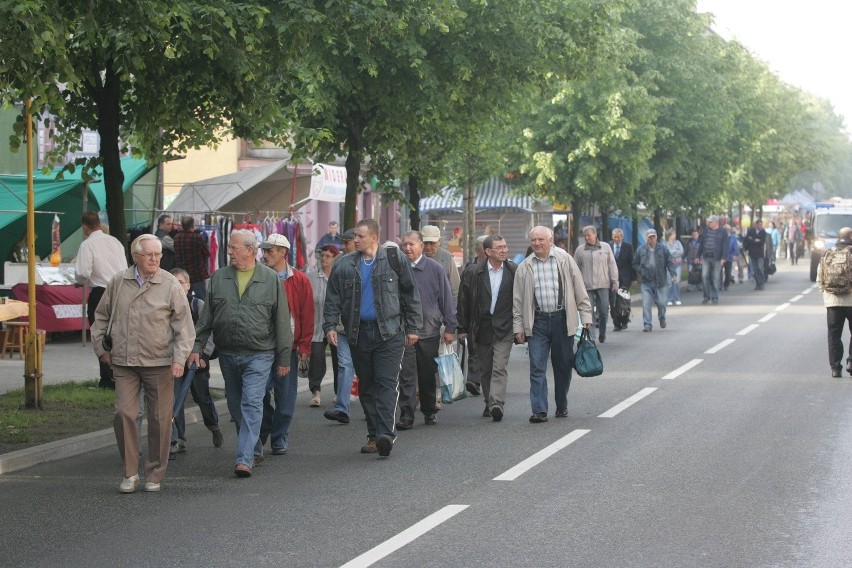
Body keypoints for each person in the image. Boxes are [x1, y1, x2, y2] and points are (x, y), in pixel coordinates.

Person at [90, 234, 195, 493]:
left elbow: (185, 327)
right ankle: (129, 472)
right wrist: (102, 350)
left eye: (158, 254)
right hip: (124, 362)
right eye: (149, 254)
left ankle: (155, 473)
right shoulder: (118, 281)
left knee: (160, 419)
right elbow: (101, 317)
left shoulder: (169, 283)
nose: (154, 259)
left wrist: (179, 359)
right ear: (135, 256)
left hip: (159, 362)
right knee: (124, 414)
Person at [189, 229, 293, 478]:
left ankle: (244, 458)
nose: (229, 252)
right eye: (229, 248)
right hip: (228, 354)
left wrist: (284, 357)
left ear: (250, 250)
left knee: (252, 402)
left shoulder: (270, 279)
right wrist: (196, 347)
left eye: (233, 248)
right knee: (236, 407)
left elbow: (281, 321)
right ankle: (254, 448)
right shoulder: (218, 278)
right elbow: (206, 319)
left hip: (260, 353)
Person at [323, 218, 422, 457]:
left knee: (386, 383)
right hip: (357, 333)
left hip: (389, 332)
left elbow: (411, 293)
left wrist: (413, 327)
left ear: (374, 237)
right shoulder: (344, 264)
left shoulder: (393, 259)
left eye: (360, 236)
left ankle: (385, 434)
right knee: (367, 386)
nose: (355, 239)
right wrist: (330, 326)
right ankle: (373, 434)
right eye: (355, 236)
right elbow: (333, 297)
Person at [513, 226, 592, 423]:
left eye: (541, 239)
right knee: (537, 366)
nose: (537, 244)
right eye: (534, 240)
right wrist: (518, 327)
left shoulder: (564, 260)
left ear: (550, 240)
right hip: (537, 321)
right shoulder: (525, 266)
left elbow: (579, 288)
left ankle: (561, 403)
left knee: (563, 365)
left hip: (562, 319)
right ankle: (539, 410)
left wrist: (586, 315)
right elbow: (518, 301)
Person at [256, 234, 313, 458]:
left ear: (283, 253)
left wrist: (305, 348)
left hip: (288, 348)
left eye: (270, 250)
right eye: (265, 250)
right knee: (257, 394)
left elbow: (307, 315)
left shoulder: (299, 280)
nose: (265, 254)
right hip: (260, 347)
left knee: (286, 398)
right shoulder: (257, 276)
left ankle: (279, 436)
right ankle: (265, 427)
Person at [397, 231, 457, 428]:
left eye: (412, 244)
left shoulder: (435, 269)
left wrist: (450, 326)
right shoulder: (397, 268)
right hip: (404, 332)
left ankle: (429, 410)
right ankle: (406, 414)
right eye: (404, 244)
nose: (407, 248)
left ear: (421, 246)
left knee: (427, 374)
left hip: (429, 330)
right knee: (406, 376)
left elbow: (446, 299)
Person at [457, 234, 516, 421]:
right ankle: (489, 402)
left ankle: (497, 403)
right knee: (486, 368)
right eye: (499, 247)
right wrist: (462, 327)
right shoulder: (473, 272)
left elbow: (522, 300)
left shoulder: (514, 270)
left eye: (505, 246)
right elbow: (463, 301)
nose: (504, 250)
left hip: (505, 327)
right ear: (488, 251)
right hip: (481, 326)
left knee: (500, 366)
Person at [168, 268, 223, 457]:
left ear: (188, 285)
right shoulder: (165, 307)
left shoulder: (197, 305)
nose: (177, 286)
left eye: (181, 282)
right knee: (175, 400)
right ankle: (178, 439)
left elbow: (209, 332)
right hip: (175, 361)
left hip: (197, 362)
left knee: (202, 397)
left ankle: (213, 425)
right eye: (173, 282)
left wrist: (204, 356)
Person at [75, 210, 128, 390]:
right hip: (120, 291)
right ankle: (120, 376)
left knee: (99, 334)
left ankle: (106, 379)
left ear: (85, 226)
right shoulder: (115, 242)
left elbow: (83, 273)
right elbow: (124, 268)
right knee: (118, 334)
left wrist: (79, 282)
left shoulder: (87, 245)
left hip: (100, 292)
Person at [323, 229, 358, 424]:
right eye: (343, 243)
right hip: (344, 327)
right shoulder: (340, 263)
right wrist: (330, 325)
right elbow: (332, 296)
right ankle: (342, 408)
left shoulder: (375, 261)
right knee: (345, 364)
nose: (343, 247)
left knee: (368, 368)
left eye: (347, 243)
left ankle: (377, 407)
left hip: (367, 327)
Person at [573, 226, 618, 343]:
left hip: (603, 284)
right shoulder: (580, 250)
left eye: (588, 235)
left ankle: (602, 332)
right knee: (588, 312)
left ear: (595, 234)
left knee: (603, 310)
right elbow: (574, 269)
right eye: (585, 236)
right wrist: (574, 285)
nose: (586, 238)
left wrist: (615, 282)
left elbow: (612, 265)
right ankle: (591, 337)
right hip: (586, 286)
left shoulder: (605, 247)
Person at [817, 227, 852, 377]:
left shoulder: (828, 254)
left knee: (834, 335)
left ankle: (835, 368)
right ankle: (851, 361)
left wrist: (826, 293)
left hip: (832, 302)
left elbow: (820, 277)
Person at [308, 245, 340, 405]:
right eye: (322, 256)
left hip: (336, 326)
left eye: (328, 256)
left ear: (335, 258)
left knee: (338, 359)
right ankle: (316, 392)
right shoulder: (311, 277)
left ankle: (338, 393)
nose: (324, 259)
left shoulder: (339, 276)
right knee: (316, 357)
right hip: (317, 326)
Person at [459, 235, 488, 396]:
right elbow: (463, 299)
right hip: (473, 319)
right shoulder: (470, 268)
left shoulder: (500, 267)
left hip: (491, 319)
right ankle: (474, 380)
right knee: (474, 349)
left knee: (488, 354)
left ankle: (484, 380)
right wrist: (461, 326)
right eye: (486, 248)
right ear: (478, 251)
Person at [632, 229, 676, 332]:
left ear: (656, 237)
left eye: (653, 237)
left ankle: (662, 317)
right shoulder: (641, 249)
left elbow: (669, 262)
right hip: (646, 281)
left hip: (660, 281)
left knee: (661, 303)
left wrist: (673, 273)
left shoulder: (663, 249)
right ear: (646, 238)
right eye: (649, 237)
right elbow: (634, 263)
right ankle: (647, 324)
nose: (651, 239)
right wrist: (641, 271)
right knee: (646, 303)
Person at [420, 225, 460, 303]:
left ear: (439, 242)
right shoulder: (415, 256)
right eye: (425, 243)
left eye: (432, 243)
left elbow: (455, 288)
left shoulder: (447, 258)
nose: (428, 247)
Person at [173, 216, 210, 300]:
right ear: (192, 225)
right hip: (196, 273)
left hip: (182, 274)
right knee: (202, 300)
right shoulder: (197, 237)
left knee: (183, 299)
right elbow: (207, 252)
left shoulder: (176, 237)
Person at [696, 215, 729, 305]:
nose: (709, 223)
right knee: (704, 276)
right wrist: (698, 256)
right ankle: (706, 296)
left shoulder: (722, 232)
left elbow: (725, 246)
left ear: (715, 222)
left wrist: (723, 257)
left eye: (710, 222)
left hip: (717, 258)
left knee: (715, 278)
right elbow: (702, 244)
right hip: (706, 257)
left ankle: (715, 297)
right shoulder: (706, 231)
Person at [610, 228, 635, 331]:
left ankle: (624, 320)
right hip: (612, 279)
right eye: (615, 237)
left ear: (622, 237)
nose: (617, 239)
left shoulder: (628, 247)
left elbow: (631, 263)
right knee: (613, 302)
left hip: (625, 278)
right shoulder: (608, 247)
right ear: (612, 237)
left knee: (623, 301)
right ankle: (616, 323)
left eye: (619, 236)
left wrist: (634, 277)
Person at [743, 219, 768, 290]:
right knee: (755, 269)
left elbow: (762, 242)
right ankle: (757, 284)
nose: (760, 226)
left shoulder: (763, 232)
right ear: (756, 225)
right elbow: (747, 239)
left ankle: (762, 283)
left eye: (761, 225)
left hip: (760, 254)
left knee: (760, 268)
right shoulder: (751, 231)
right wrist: (754, 240)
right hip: (752, 253)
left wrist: (752, 240)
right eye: (759, 224)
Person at [665, 230, 684, 306]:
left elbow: (681, 251)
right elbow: (666, 253)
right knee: (669, 281)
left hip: (678, 264)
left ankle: (677, 298)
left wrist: (671, 252)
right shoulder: (665, 244)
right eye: (673, 234)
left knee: (677, 280)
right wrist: (675, 251)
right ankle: (670, 298)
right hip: (669, 265)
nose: (675, 235)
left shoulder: (678, 243)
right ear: (669, 235)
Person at [722, 224, 740, 291]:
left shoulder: (733, 238)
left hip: (729, 257)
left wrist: (735, 254)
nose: (727, 230)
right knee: (718, 272)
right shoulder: (720, 236)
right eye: (726, 229)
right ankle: (719, 285)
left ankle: (726, 284)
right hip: (720, 257)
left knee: (728, 273)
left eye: (728, 229)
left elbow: (736, 247)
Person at [685, 228, 701, 293]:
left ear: (698, 235)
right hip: (690, 260)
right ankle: (689, 286)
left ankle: (699, 285)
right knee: (690, 273)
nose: (695, 236)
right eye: (693, 234)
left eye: (696, 234)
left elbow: (702, 251)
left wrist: (701, 259)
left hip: (698, 260)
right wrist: (684, 258)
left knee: (698, 273)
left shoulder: (700, 242)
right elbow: (686, 251)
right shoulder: (689, 242)